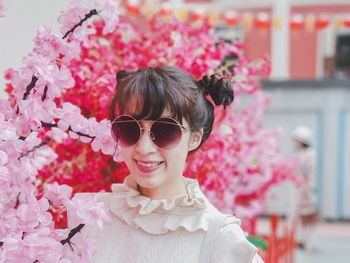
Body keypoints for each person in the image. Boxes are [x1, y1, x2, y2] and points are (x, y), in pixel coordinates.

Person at [70, 66, 263, 262]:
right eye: (130, 128)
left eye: (164, 131)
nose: (144, 148)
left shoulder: (219, 238)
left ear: (194, 138)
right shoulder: (90, 216)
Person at [292, 126, 318, 252]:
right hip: (297, 190)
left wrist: (309, 189)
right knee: (298, 216)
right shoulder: (297, 154)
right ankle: (301, 240)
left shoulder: (310, 154)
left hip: (307, 190)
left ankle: (309, 242)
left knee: (309, 216)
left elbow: (311, 173)